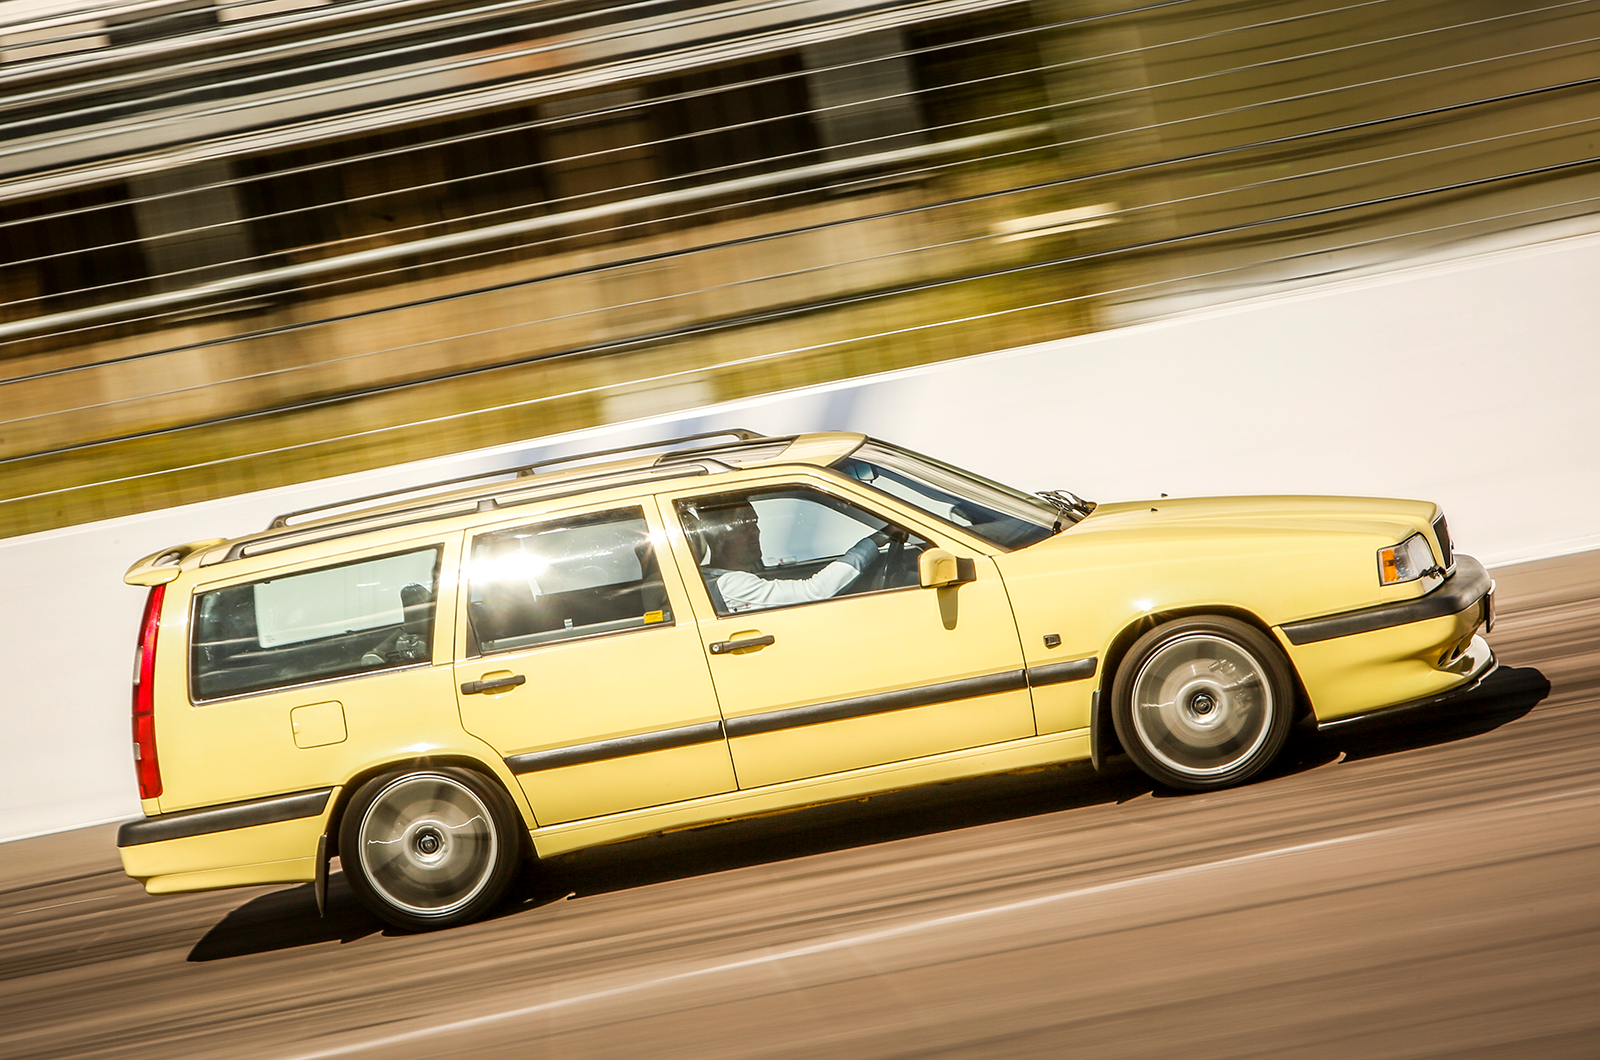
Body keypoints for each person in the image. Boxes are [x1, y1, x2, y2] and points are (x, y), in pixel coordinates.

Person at [684, 499, 887, 613]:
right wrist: (876, 541)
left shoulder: (716, 578)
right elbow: (814, 592)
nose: (756, 531)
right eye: (743, 525)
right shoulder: (729, 585)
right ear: (717, 537)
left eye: (754, 522)